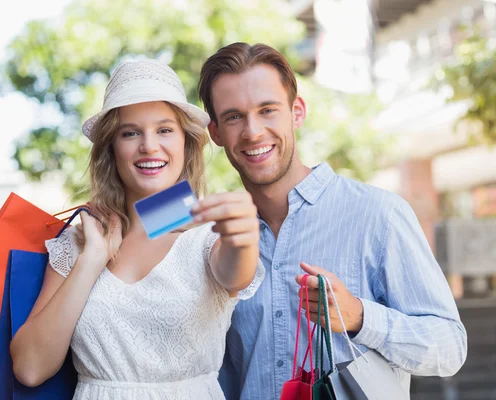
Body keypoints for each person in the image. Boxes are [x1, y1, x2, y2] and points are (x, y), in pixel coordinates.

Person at [198, 42, 468, 400]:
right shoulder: (215, 241)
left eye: (267, 110)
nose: (252, 132)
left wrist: (359, 318)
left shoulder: (378, 215)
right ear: (215, 132)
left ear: (296, 112)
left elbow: (450, 349)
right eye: (234, 116)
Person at [10, 58, 265, 399]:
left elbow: (236, 274)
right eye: (130, 133)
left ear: (185, 143)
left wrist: (244, 237)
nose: (148, 146)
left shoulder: (210, 234)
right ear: (111, 148)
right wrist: (91, 261)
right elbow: (30, 368)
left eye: (164, 130)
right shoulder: (81, 240)